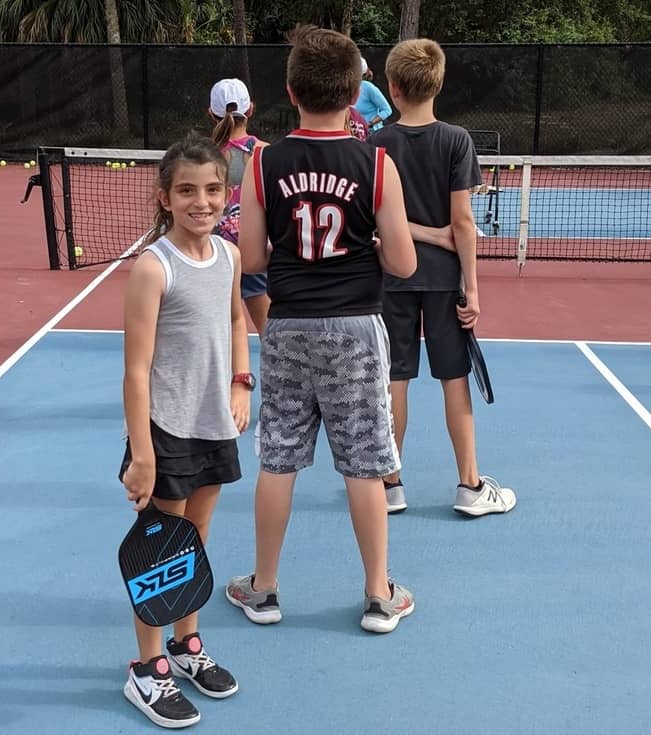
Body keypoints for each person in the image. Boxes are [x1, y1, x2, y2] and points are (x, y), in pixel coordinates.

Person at [225, 26, 418, 634]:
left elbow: (251, 259)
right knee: (363, 464)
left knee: (278, 460)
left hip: (287, 328)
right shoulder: (376, 161)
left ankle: (264, 589)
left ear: (289, 90)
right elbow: (404, 263)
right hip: (357, 328)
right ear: (356, 90)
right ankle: (379, 595)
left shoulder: (263, 162)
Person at [119, 131, 253, 728]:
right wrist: (143, 454)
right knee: (159, 549)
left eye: (212, 189)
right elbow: (135, 369)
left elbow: (234, 320)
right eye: (187, 191)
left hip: (213, 422)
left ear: (227, 193)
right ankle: (146, 669)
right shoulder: (154, 268)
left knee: (195, 537)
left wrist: (239, 384)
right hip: (166, 428)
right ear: (164, 197)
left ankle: (185, 643)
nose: (202, 201)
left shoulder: (228, 256)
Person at [372, 39, 517, 517]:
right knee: (455, 380)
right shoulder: (457, 140)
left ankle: (390, 485)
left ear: (392, 87)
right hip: (443, 283)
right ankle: (470, 487)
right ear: (439, 83)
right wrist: (471, 286)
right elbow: (462, 225)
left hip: (390, 278)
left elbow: (377, 222)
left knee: (394, 380)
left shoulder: (375, 144)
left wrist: (412, 233)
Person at [209, 77, 270, 337]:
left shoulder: (202, 156)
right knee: (272, 338)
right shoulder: (266, 153)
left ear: (211, 113)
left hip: (213, 254)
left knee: (213, 339)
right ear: (251, 109)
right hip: (255, 252)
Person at [353, 57, 392, 132]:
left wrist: (369, 124)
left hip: (372, 134)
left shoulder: (368, 87)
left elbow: (387, 110)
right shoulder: (345, 89)